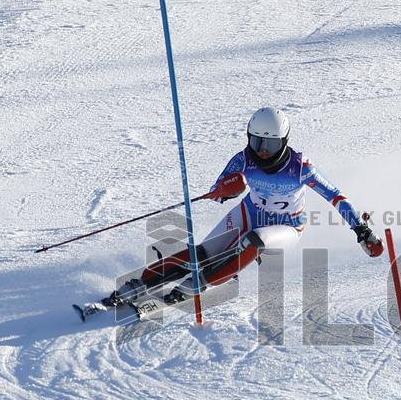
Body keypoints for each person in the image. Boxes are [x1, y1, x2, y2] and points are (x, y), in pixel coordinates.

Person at [112, 107, 383, 306]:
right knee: (204, 253)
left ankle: (199, 283)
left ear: (284, 141)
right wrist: (225, 190)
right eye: (257, 142)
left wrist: (360, 229)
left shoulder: (300, 167)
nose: (263, 150)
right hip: (248, 213)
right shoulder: (243, 159)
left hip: (286, 226)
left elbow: (335, 196)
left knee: (255, 241)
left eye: (270, 144)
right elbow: (217, 192)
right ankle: (141, 282)